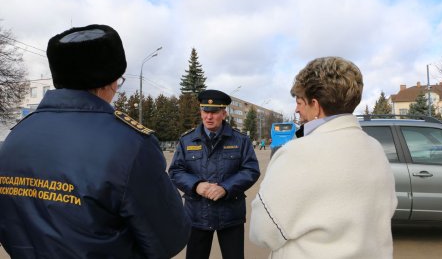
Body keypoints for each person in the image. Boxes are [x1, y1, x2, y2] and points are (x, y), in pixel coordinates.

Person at [0, 24, 190, 258]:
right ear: (109, 82)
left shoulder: (15, 136)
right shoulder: (130, 143)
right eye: (119, 82)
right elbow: (170, 237)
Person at [249, 57, 397, 259]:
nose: (296, 110)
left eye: (300, 102)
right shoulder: (375, 148)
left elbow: (263, 231)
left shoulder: (296, 153)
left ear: (316, 105)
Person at [169, 89, 260, 259]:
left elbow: (251, 170)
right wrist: (196, 185)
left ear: (224, 113)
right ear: (201, 112)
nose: (209, 117)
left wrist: (226, 188)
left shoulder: (240, 140)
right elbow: (175, 171)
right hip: (197, 215)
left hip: (230, 213)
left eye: (214, 112)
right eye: (205, 111)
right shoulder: (187, 140)